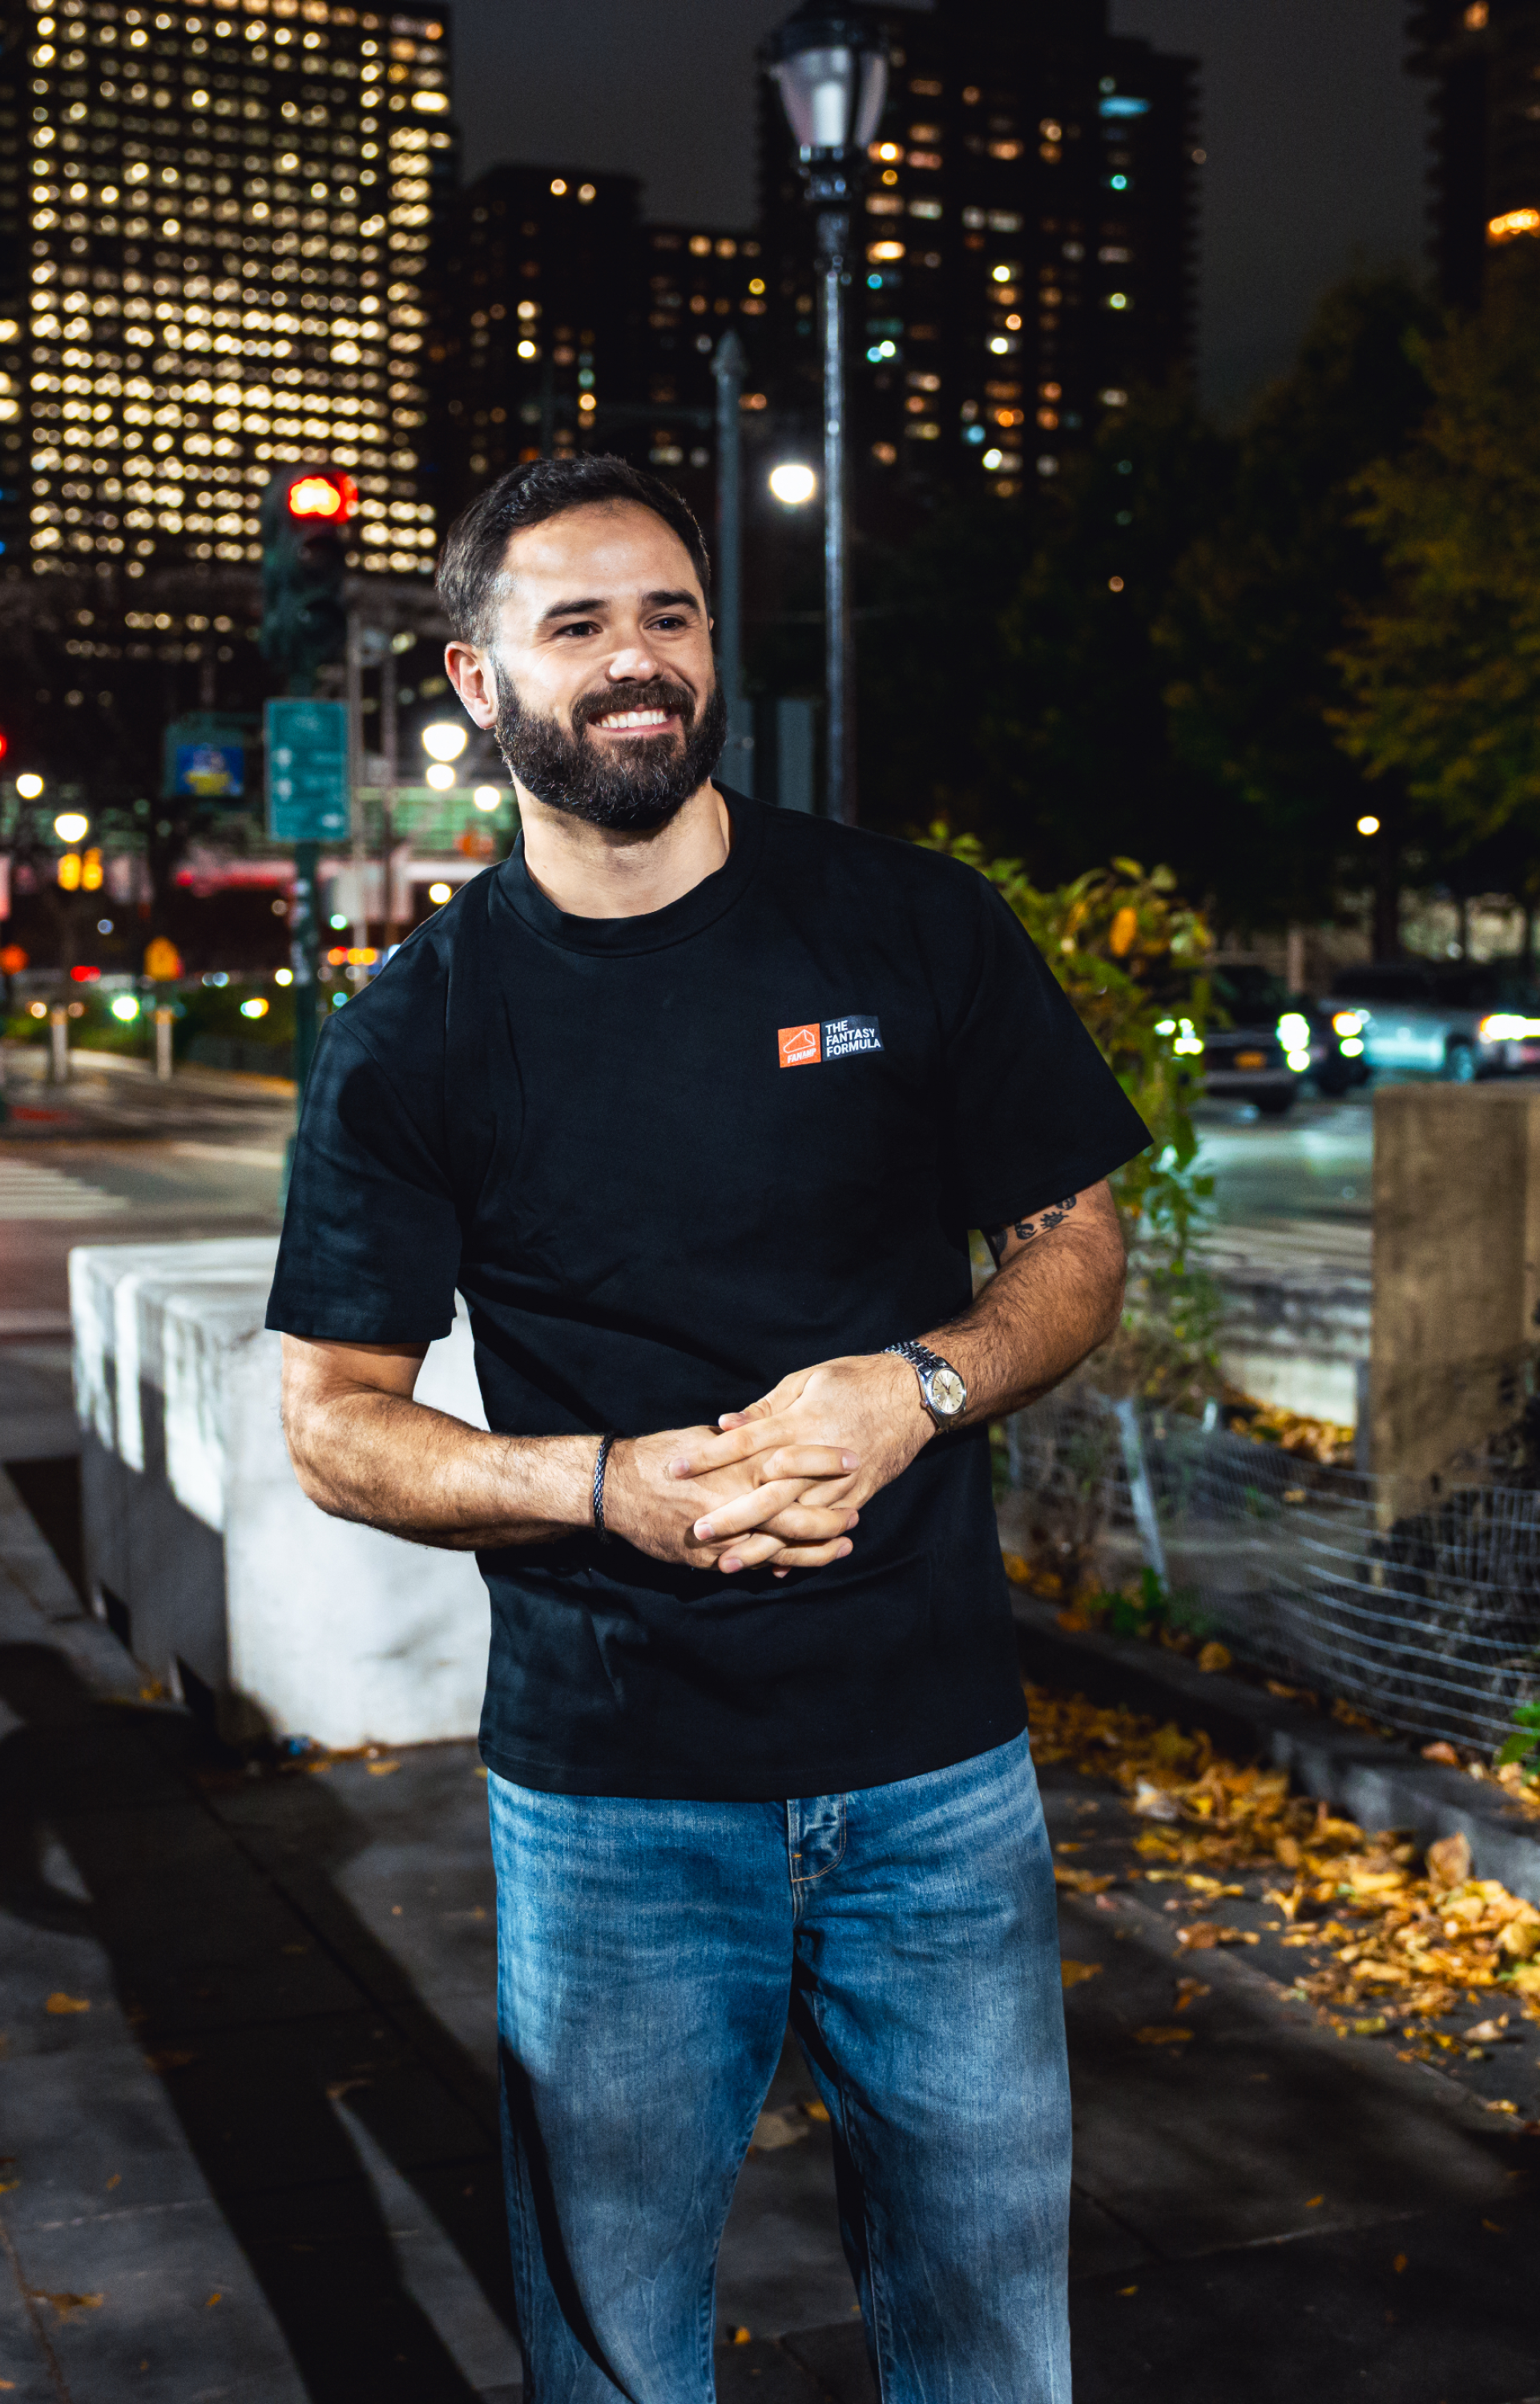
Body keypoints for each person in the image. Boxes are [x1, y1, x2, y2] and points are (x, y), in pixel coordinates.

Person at [268, 454, 1149, 2402]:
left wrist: (917, 1390)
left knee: (995, 2325)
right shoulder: (417, 1030)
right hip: (616, 1795)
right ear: (477, 684)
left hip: (936, 1767)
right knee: (618, 2346)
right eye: (575, 625)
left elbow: (1075, 1241)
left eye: (668, 612)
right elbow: (334, 1423)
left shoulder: (908, 928)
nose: (638, 660)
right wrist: (605, 1490)